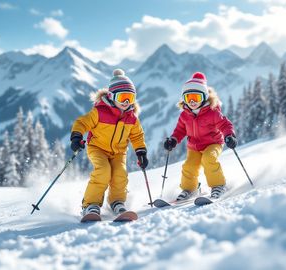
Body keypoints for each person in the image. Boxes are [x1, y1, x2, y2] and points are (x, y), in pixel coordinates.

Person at [70, 69, 148, 217]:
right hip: (97, 148)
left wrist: (141, 152)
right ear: (111, 96)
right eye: (123, 97)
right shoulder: (99, 112)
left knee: (120, 174)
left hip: (119, 152)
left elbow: (137, 136)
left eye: (130, 98)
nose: (126, 102)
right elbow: (82, 123)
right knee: (103, 172)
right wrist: (76, 137)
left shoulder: (132, 118)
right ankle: (90, 204)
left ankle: (117, 201)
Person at [164, 72, 237, 200]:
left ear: (204, 97)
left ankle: (219, 185)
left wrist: (229, 136)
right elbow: (180, 130)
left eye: (196, 98)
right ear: (183, 99)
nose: (192, 101)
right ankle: (190, 189)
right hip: (194, 147)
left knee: (208, 159)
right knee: (189, 166)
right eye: (188, 98)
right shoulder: (184, 115)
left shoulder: (212, 112)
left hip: (213, 143)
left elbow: (225, 124)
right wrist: (173, 140)